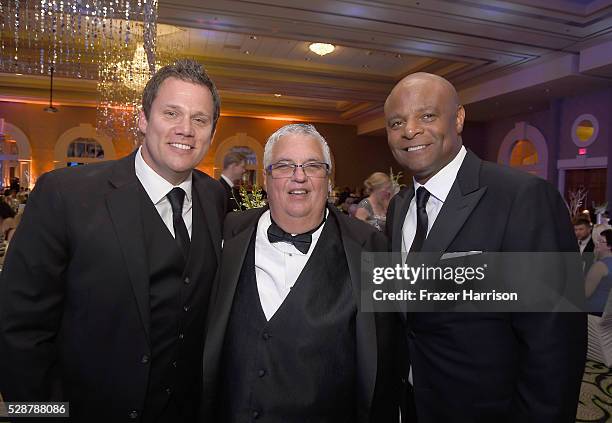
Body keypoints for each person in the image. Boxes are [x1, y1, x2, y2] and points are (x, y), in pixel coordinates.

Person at [0, 59, 226, 422]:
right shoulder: (66, 195)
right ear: (142, 119)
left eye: (199, 120)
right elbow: (19, 329)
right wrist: (40, 415)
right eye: (171, 113)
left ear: (211, 133)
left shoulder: (215, 198)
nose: (185, 129)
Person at [384, 72, 586, 422]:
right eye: (397, 122)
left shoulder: (523, 198)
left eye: (427, 116)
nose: (410, 130)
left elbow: (556, 346)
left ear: (459, 118)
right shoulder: (399, 207)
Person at [200, 123, 400, 422]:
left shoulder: (371, 248)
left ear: (328, 179)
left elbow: (386, 361)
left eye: (312, 165)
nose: (299, 176)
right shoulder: (228, 232)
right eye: (284, 166)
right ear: (266, 179)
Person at [586, 229, 612, 315]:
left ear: (609, 246)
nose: (597, 244)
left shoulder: (600, 266)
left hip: (595, 312)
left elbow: (586, 293)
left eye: (601, 241)